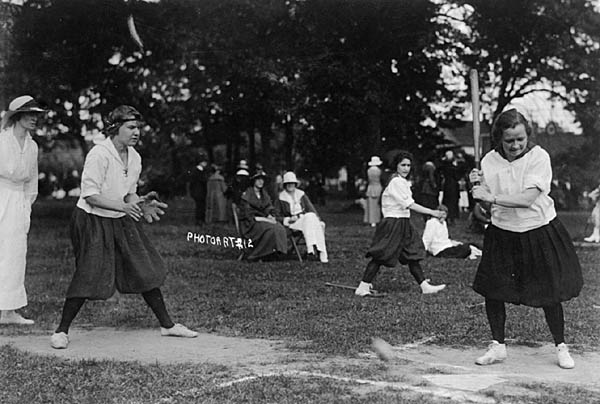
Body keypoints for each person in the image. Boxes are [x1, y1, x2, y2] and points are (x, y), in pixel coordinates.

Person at [50, 105, 197, 349]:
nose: (136, 132)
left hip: (119, 216)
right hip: (91, 218)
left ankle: (168, 325)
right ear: (114, 128)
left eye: (138, 127)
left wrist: (138, 205)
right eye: (130, 127)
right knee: (89, 271)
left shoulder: (135, 157)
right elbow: (90, 196)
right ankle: (61, 331)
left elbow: (129, 195)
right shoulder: (99, 154)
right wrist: (125, 207)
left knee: (143, 266)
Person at [470, 108, 583, 369]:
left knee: (549, 293)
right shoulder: (488, 161)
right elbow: (486, 209)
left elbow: (526, 200)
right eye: (509, 140)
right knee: (493, 290)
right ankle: (497, 345)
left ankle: (561, 346)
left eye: (520, 138)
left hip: (538, 229)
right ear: (499, 138)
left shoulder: (538, 157)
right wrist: (478, 190)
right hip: (502, 231)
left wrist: (491, 197)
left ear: (527, 136)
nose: (515, 145)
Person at [355, 151, 447, 297]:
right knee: (381, 255)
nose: (406, 168)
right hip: (393, 223)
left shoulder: (402, 182)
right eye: (402, 165)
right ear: (396, 166)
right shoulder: (396, 182)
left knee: (412, 254)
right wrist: (433, 212)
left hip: (403, 222)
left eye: (408, 165)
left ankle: (424, 286)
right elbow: (409, 204)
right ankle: (363, 287)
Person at [0, 95, 44, 325]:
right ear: (16, 116)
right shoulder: (1, 140)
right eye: (29, 114)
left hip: (18, 201)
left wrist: (26, 206)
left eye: (36, 115)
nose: (34, 119)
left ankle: (8, 311)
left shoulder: (32, 146)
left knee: (15, 254)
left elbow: (32, 181)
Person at [275, 171, 328, 263]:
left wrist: (317, 220)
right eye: (288, 183)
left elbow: (311, 209)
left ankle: (311, 250)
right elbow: (276, 215)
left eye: (292, 183)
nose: (290, 185)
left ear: (295, 184)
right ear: (284, 184)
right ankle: (320, 252)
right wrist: (288, 219)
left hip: (306, 221)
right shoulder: (281, 197)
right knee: (310, 218)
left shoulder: (301, 194)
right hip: (293, 224)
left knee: (311, 217)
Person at [238, 170, 288, 261]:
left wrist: (270, 215)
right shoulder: (247, 194)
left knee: (278, 226)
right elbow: (248, 215)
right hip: (250, 224)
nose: (261, 182)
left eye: (262, 180)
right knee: (270, 228)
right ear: (254, 181)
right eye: (258, 180)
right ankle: (258, 254)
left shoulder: (264, 194)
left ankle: (277, 252)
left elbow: (268, 207)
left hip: (262, 221)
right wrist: (266, 220)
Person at [439, 150, 463, 224]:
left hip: (447, 185)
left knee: (447, 202)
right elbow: (457, 175)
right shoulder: (453, 167)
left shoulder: (444, 165)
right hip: (453, 186)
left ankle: (447, 217)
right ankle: (451, 218)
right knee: (453, 202)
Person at [187, 153, 208, 225]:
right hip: (198, 191)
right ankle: (199, 220)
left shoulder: (200, 171)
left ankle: (201, 220)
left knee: (201, 206)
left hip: (200, 191)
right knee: (200, 206)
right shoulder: (197, 172)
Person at [365, 156, 383, 227]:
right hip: (378, 187)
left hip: (370, 187)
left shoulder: (368, 170)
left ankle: (372, 221)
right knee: (377, 206)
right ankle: (377, 219)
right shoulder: (379, 171)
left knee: (371, 205)